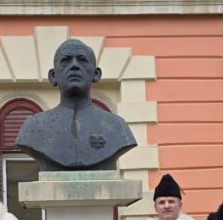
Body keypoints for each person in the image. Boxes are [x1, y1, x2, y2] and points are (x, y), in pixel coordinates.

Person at [16, 38, 137, 171]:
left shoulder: (118, 127)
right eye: (66, 60)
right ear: (53, 76)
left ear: (96, 74)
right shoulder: (33, 127)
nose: (74, 65)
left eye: (82, 60)